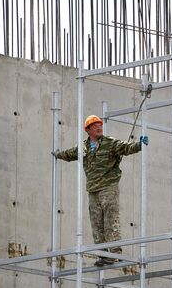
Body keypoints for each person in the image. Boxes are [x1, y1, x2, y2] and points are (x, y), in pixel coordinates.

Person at [52, 115, 148, 270]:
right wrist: (58, 154)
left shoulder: (110, 143)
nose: (99, 127)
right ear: (88, 129)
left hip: (108, 186)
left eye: (100, 125)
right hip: (93, 189)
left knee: (110, 219)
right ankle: (103, 255)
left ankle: (116, 253)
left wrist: (139, 145)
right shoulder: (83, 147)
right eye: (95, 125)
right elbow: (69, 154)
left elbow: (126, 147)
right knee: (96, 223)